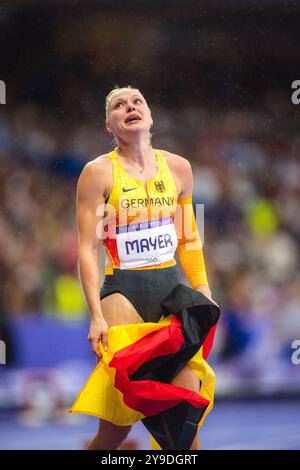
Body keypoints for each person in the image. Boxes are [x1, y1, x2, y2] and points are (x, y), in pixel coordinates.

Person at [70, 86, 219, 450]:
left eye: (137, 102)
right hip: (122, 297)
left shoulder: (179, 168)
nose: (130, 107)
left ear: (149, 116)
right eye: (119, 106)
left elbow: (187, 239)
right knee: (115, 431)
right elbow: (88, 248)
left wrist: (202, 287)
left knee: (184, 426)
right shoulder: (98, 173)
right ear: (109, 125)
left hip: (171, 298)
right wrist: (95, 315)